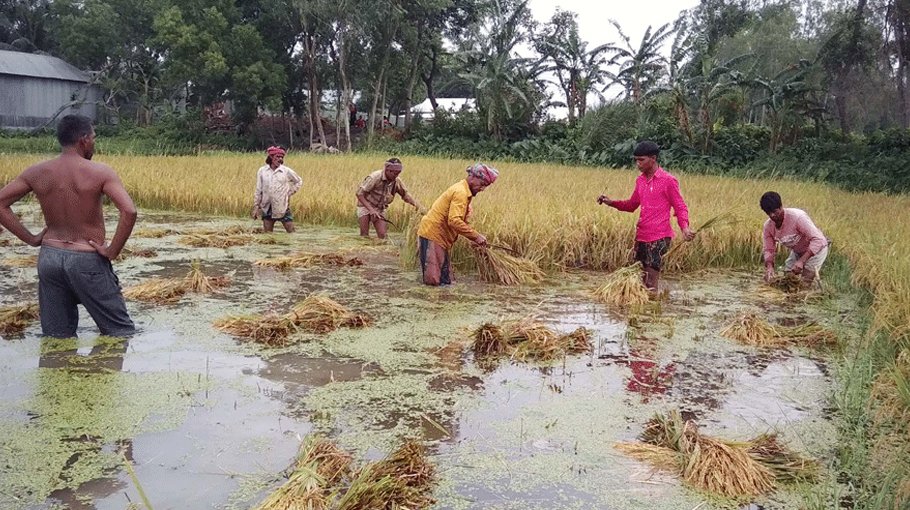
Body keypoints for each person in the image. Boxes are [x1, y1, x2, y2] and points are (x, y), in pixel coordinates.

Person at [0, 114, 136, 338]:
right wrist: (112, 251)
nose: (94, 142)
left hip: (50, 258)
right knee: (120, 333)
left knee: (56, 336)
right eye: (93, 137)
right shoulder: (100, 172)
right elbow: (129, 211)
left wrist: (32, 239)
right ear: (83, 140)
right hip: (86, 260)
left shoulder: (37, 172)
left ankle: (57, 368)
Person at [597, 140, 694, 291]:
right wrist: (610, 202)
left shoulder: (668, 181)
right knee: (641, 280)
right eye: (636, 160)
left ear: (653, 159)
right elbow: (631, 205)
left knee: (650, 282)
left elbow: (680, 206)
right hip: (641, 235)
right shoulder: (640, 180)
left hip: (659, 237)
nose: (638, 164)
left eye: (641, 160)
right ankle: (645, 310)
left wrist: (685, 228)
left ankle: (652, 311)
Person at [416, 163, 497, 285]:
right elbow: (454, 221)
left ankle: (443, 302)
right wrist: (476, 236)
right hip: (433, 235)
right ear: (472, 177)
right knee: (433, 281)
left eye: (485, 186)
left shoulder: (464, 192)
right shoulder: (461, 192)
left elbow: (460, 222)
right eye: (482, 184)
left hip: (441, 238)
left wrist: (474, 240)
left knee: (446, 281)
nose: (482, 189)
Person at [759, 191, 828, 285]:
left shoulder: (797, 218)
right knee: (787, 280)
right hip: (798, 250)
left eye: (775, 212)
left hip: (816, 250)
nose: (772, 216)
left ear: (781, 207)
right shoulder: (768, 226)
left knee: (804, 283)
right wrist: (769, 267)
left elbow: (819, 240)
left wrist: (801, 261)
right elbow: (769, 249)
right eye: (768, 213)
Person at [355, 158, 426, 239]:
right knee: (364, 236)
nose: (396, 176)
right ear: (387, 170)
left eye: (398, 173)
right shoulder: (375, 177)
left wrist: (419, 207)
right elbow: (359, 194)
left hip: (380, 208)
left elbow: (406, 195)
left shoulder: (396, 181)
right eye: (394, 173)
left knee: (383, 236)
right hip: (365, 205)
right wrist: (371, 210)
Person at [252, 146, 303, 233]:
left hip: (282, 205)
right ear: (271, 157)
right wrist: (256, 207)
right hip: (267, 206)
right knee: (268, 235)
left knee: (291, 232)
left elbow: (298, 181)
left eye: (281, 157)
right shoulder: (262, 171)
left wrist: (289, 192)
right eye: (277, 157)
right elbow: (258, 190)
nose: (280, 159)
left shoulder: (285, 171)